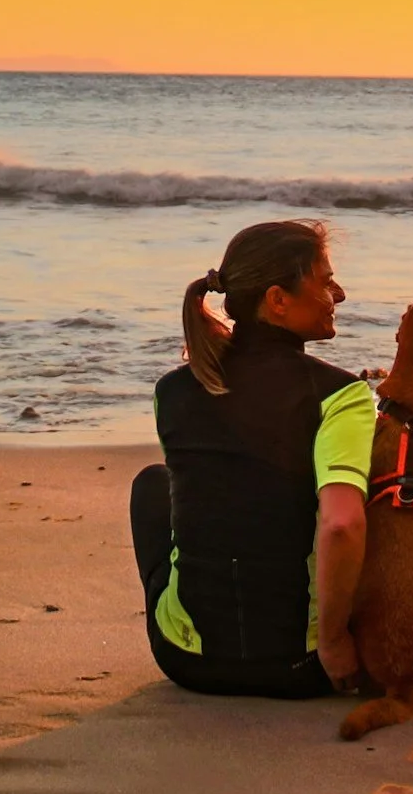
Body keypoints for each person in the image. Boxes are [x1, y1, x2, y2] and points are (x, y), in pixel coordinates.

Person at [129, 220, 377, 698]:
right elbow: (342, 524)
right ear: (277, 300)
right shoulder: (342, 395)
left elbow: (217, 499)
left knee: (153, 486)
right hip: (302, 668)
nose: (339, 295)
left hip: (188, 662)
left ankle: (186, 621)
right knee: (354, 496)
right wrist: (333, 643)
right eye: (326, 282)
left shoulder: (172, 391)